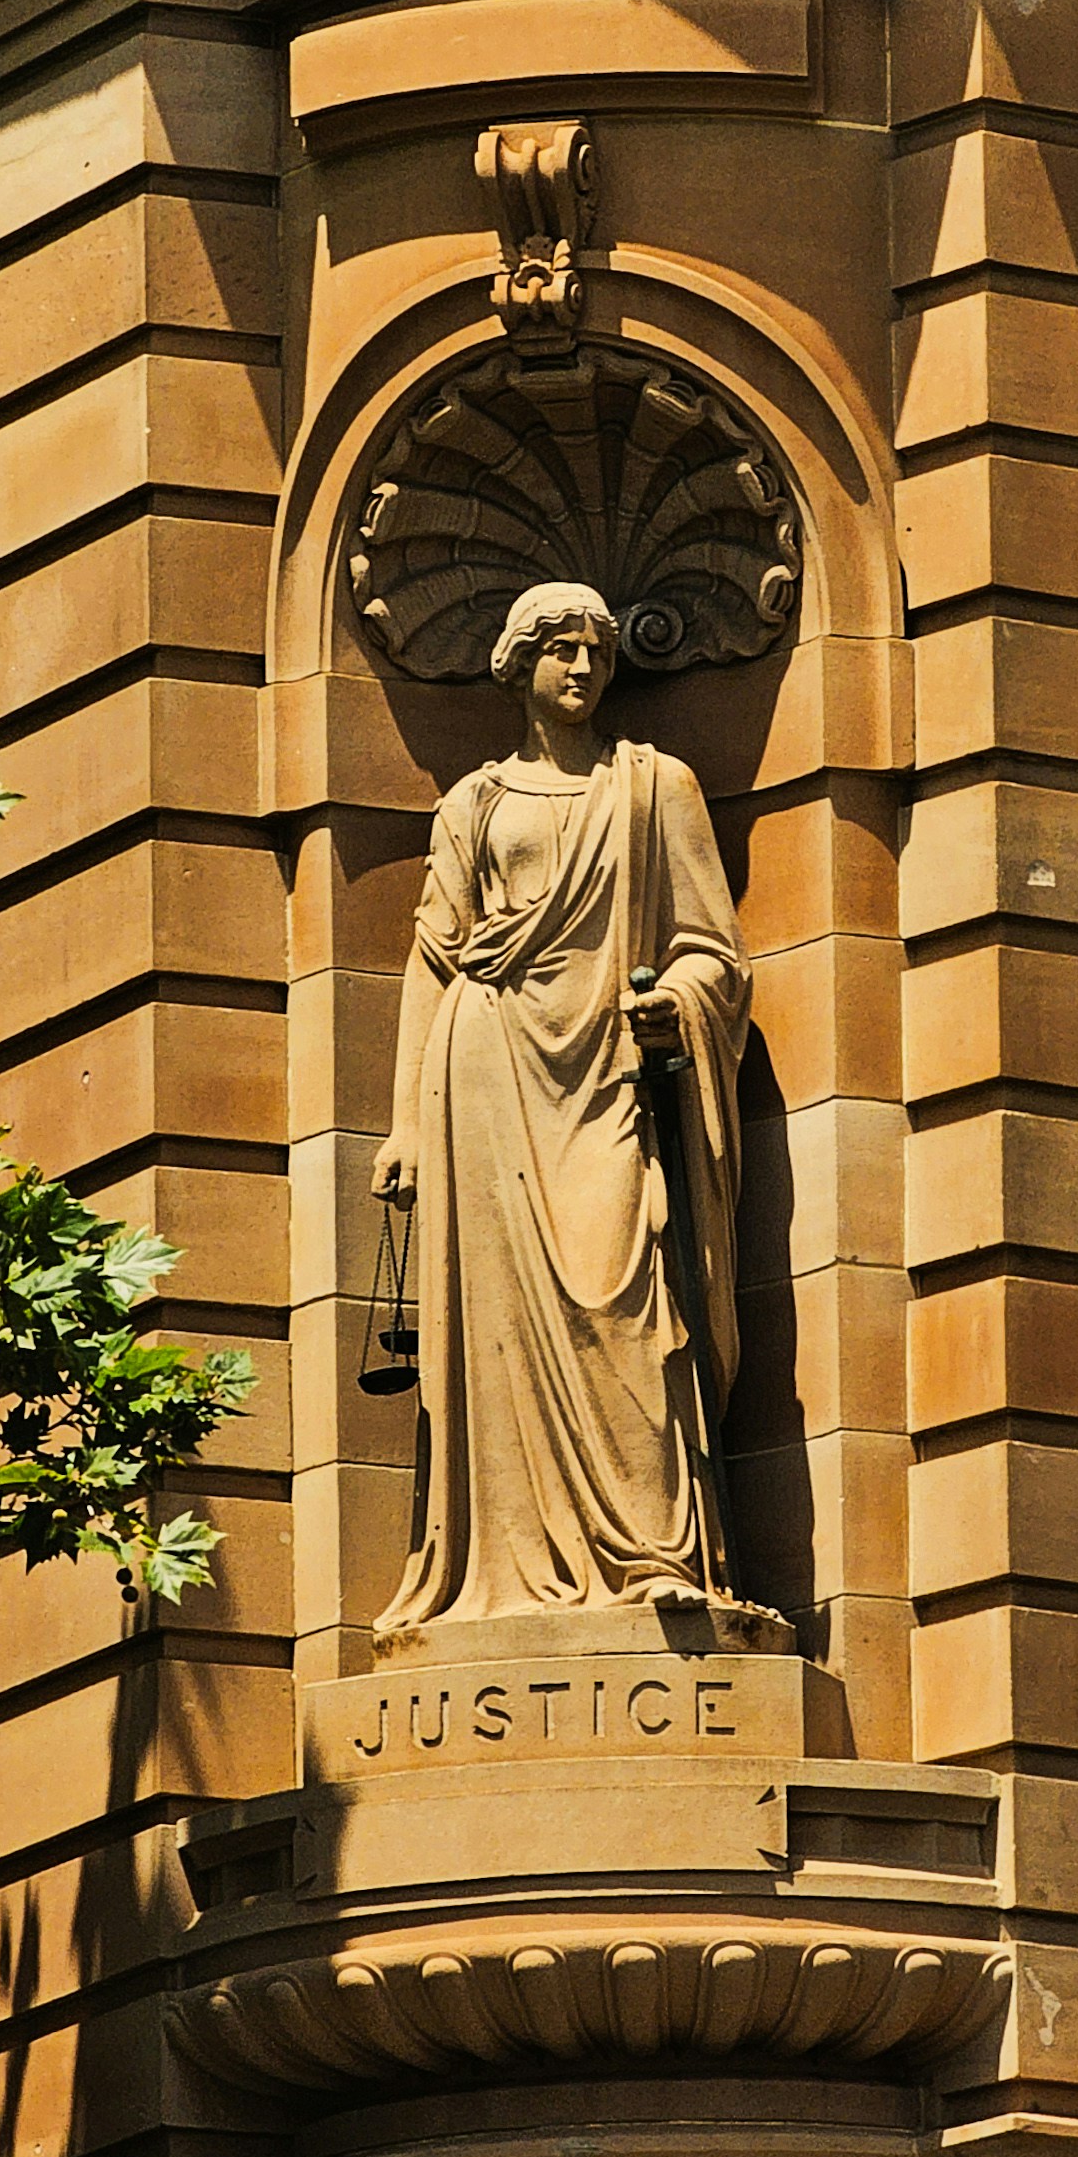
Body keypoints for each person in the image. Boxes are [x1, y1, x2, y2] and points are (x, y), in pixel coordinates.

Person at [370, 579, 751, 1631]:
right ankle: (501, 1563)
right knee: (493, 1325)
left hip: (604, 1073)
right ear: (519, 664)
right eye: (560, 650)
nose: (581, 668)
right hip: (487, 1071)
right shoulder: (473, 805)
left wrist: (676, 1001)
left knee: (623, 1295)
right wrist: (406, 1118)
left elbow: (712, 950)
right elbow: (432, 961)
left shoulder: (651, 786)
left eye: (596, 651)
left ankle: (655, 1552)